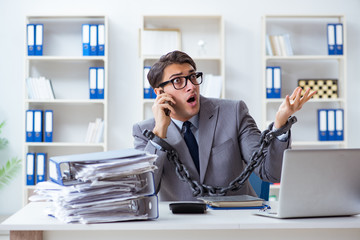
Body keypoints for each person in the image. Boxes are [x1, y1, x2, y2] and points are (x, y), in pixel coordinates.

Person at [133, 50, 315, 201]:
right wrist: (159, 133)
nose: (191, 86)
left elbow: (271, 173)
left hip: (237, 223)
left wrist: (280, 124)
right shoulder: (144, 131)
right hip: (181, 225)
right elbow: (144, 191)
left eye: (193, 77)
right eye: (178, 81)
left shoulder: (233, 112)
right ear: (160, 92)